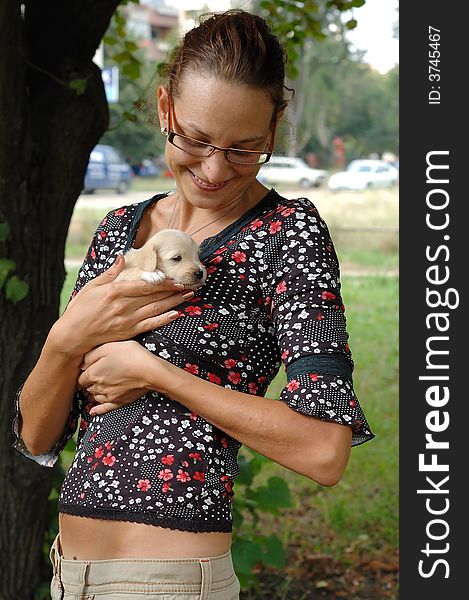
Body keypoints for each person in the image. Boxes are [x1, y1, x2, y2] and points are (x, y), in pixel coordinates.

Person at [12, 9, 374, 600]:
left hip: (173, 582)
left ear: (274, 130)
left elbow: (324, 450)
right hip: (69, 575)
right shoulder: (118, 231)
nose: (212, 169)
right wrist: (64, 340)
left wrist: (153, 372)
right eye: (197, 140)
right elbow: (35, 439)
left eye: (243, 150)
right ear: (164, 111)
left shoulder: (288, 233)